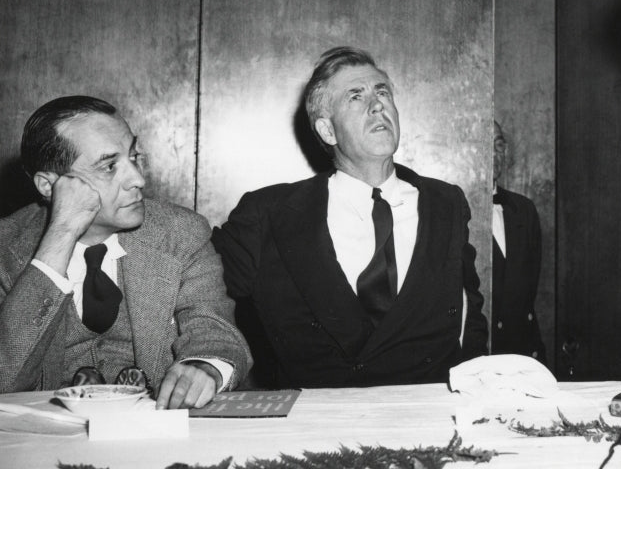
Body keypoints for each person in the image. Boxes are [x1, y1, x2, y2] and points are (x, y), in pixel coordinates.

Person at [212, 46, 489, 388]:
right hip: (317, 426)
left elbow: (468, 314)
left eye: (382, 92)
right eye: (355, 97)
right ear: (328, 131)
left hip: (424, 420)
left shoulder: (445, 203)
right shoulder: (270, 213)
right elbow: (196, 289)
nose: (377, 105)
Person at [0, 96, 251, 407]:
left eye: (134, 156)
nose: (137, 179)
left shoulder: (180, 233)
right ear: (49, 186)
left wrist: (205, 367)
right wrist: (60, 236)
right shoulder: (5, 248)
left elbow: (215, 331)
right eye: (109, 166)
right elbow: (5, 378)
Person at [491, 120, 546, 363]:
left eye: (499, 145)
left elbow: (528, 291)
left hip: (521, 353)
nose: (493, 154)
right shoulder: (448, 210)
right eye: (486, 144)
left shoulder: (523, 209)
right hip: (477, 357)